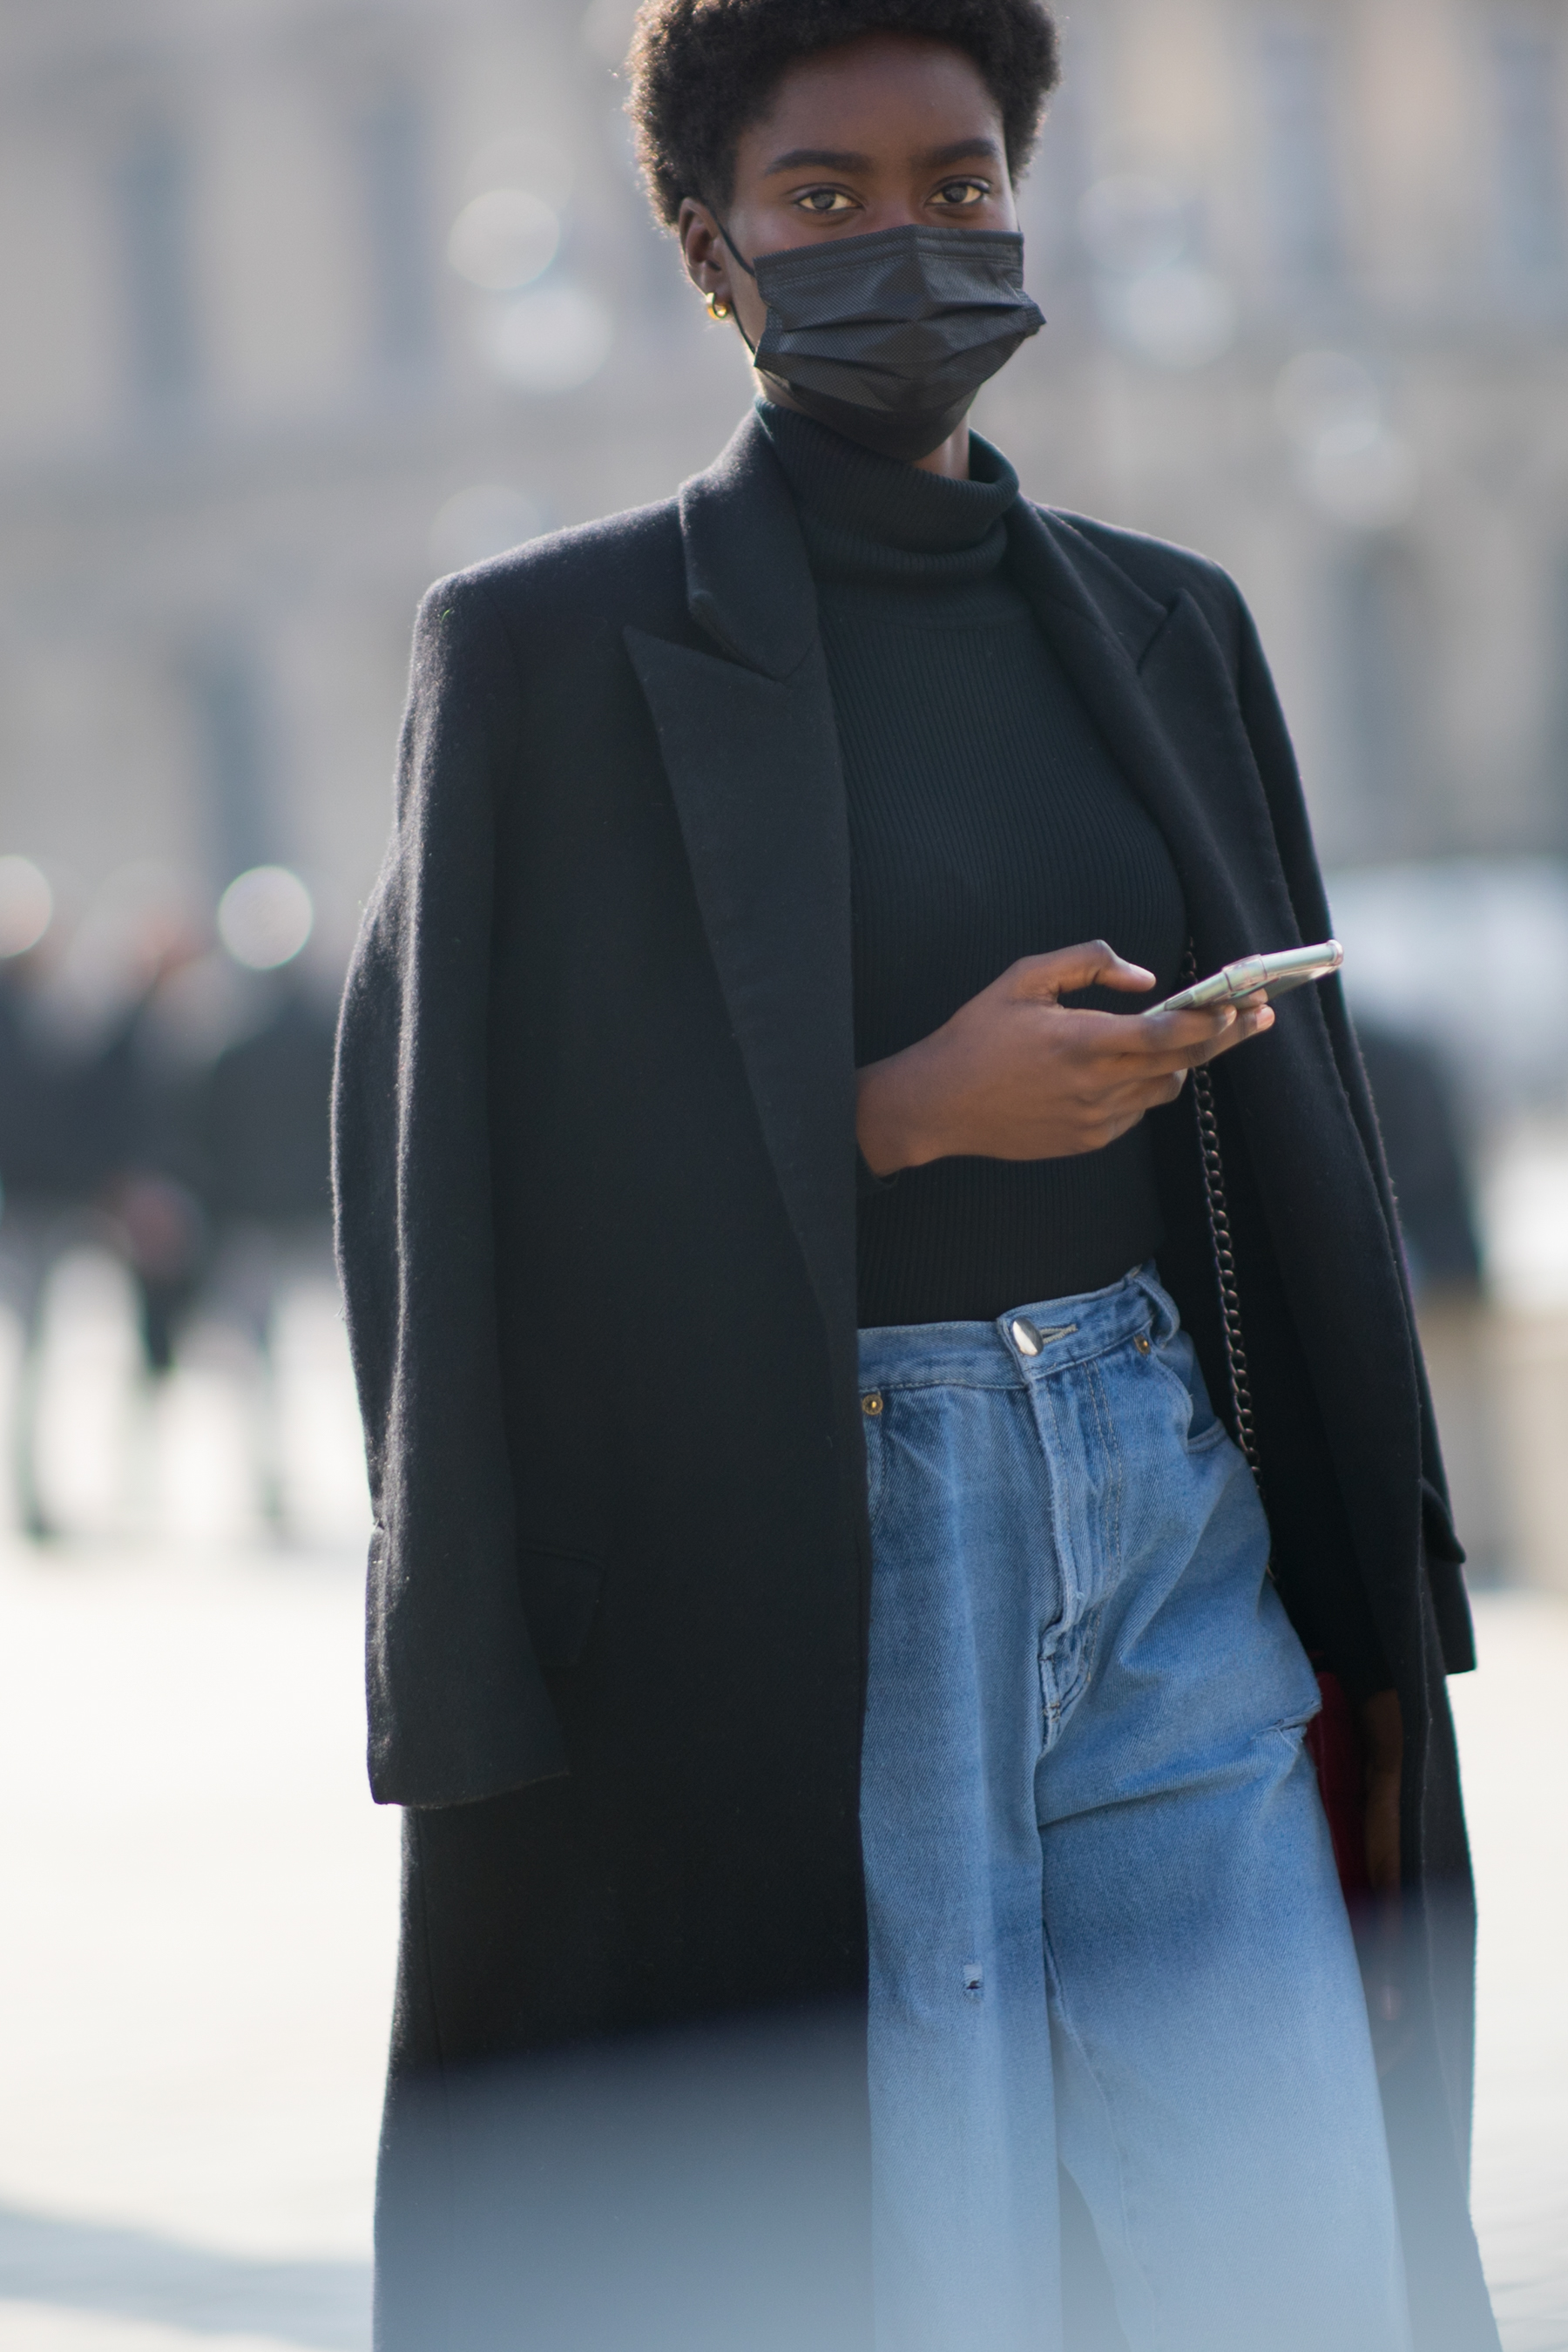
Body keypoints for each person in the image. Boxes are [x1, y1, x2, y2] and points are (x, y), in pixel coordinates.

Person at [333, 4, 1499, 2348]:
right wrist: (892, 1112)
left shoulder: (1171, 622)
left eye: (960, 187)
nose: (911, 244)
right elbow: (448, 1192)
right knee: (910, 2278)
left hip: (1167, 1517)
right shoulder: (548, 653)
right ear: (708, 247)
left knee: (1290, 2265)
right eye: (829, 201)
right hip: (827, 1561)